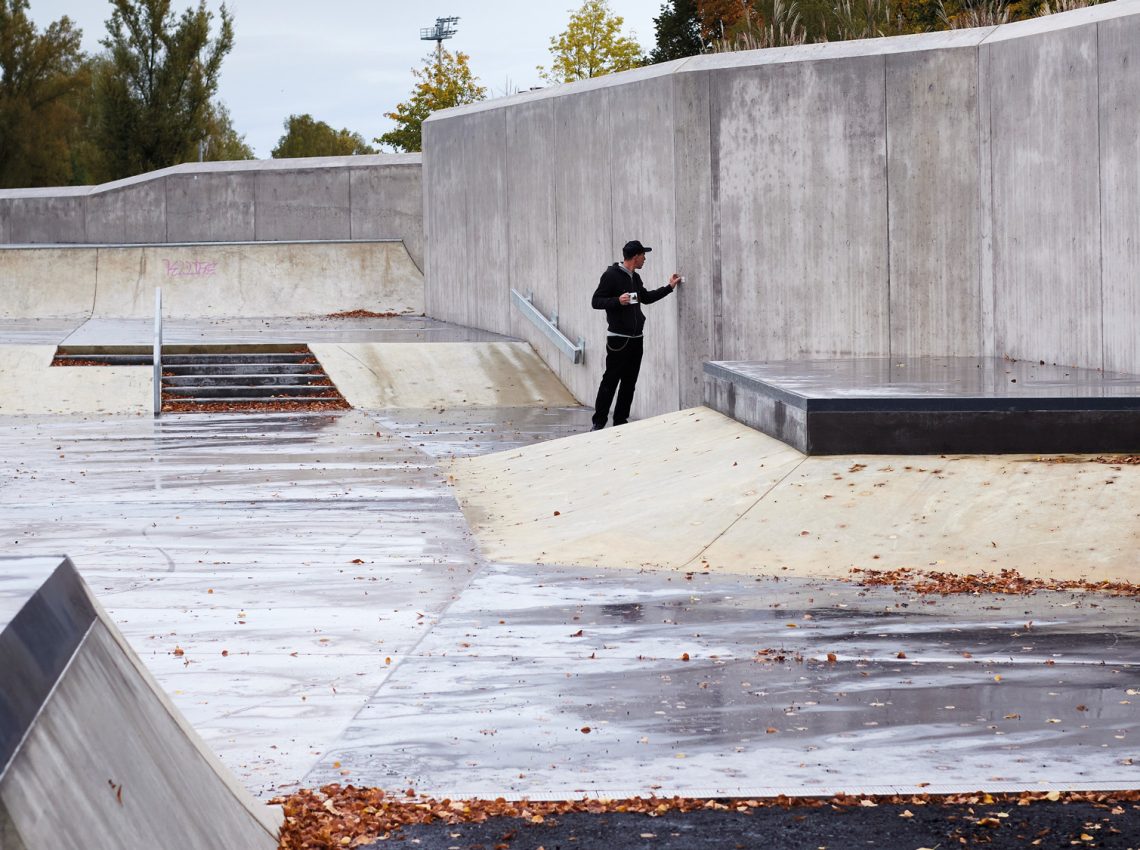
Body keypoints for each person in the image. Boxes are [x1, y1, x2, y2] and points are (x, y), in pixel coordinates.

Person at [590, 240, 682, 430]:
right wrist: (617, 300)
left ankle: (620, 422)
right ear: (635, 256)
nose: (645, 259)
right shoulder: (611, 275)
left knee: (629, 382)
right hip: (618, 339)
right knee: (610, 381)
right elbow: (596, 301)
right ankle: (598, 423)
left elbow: (646, 298)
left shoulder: (636, 278)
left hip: (636, 339)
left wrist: (669, 287)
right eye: (643, 255)